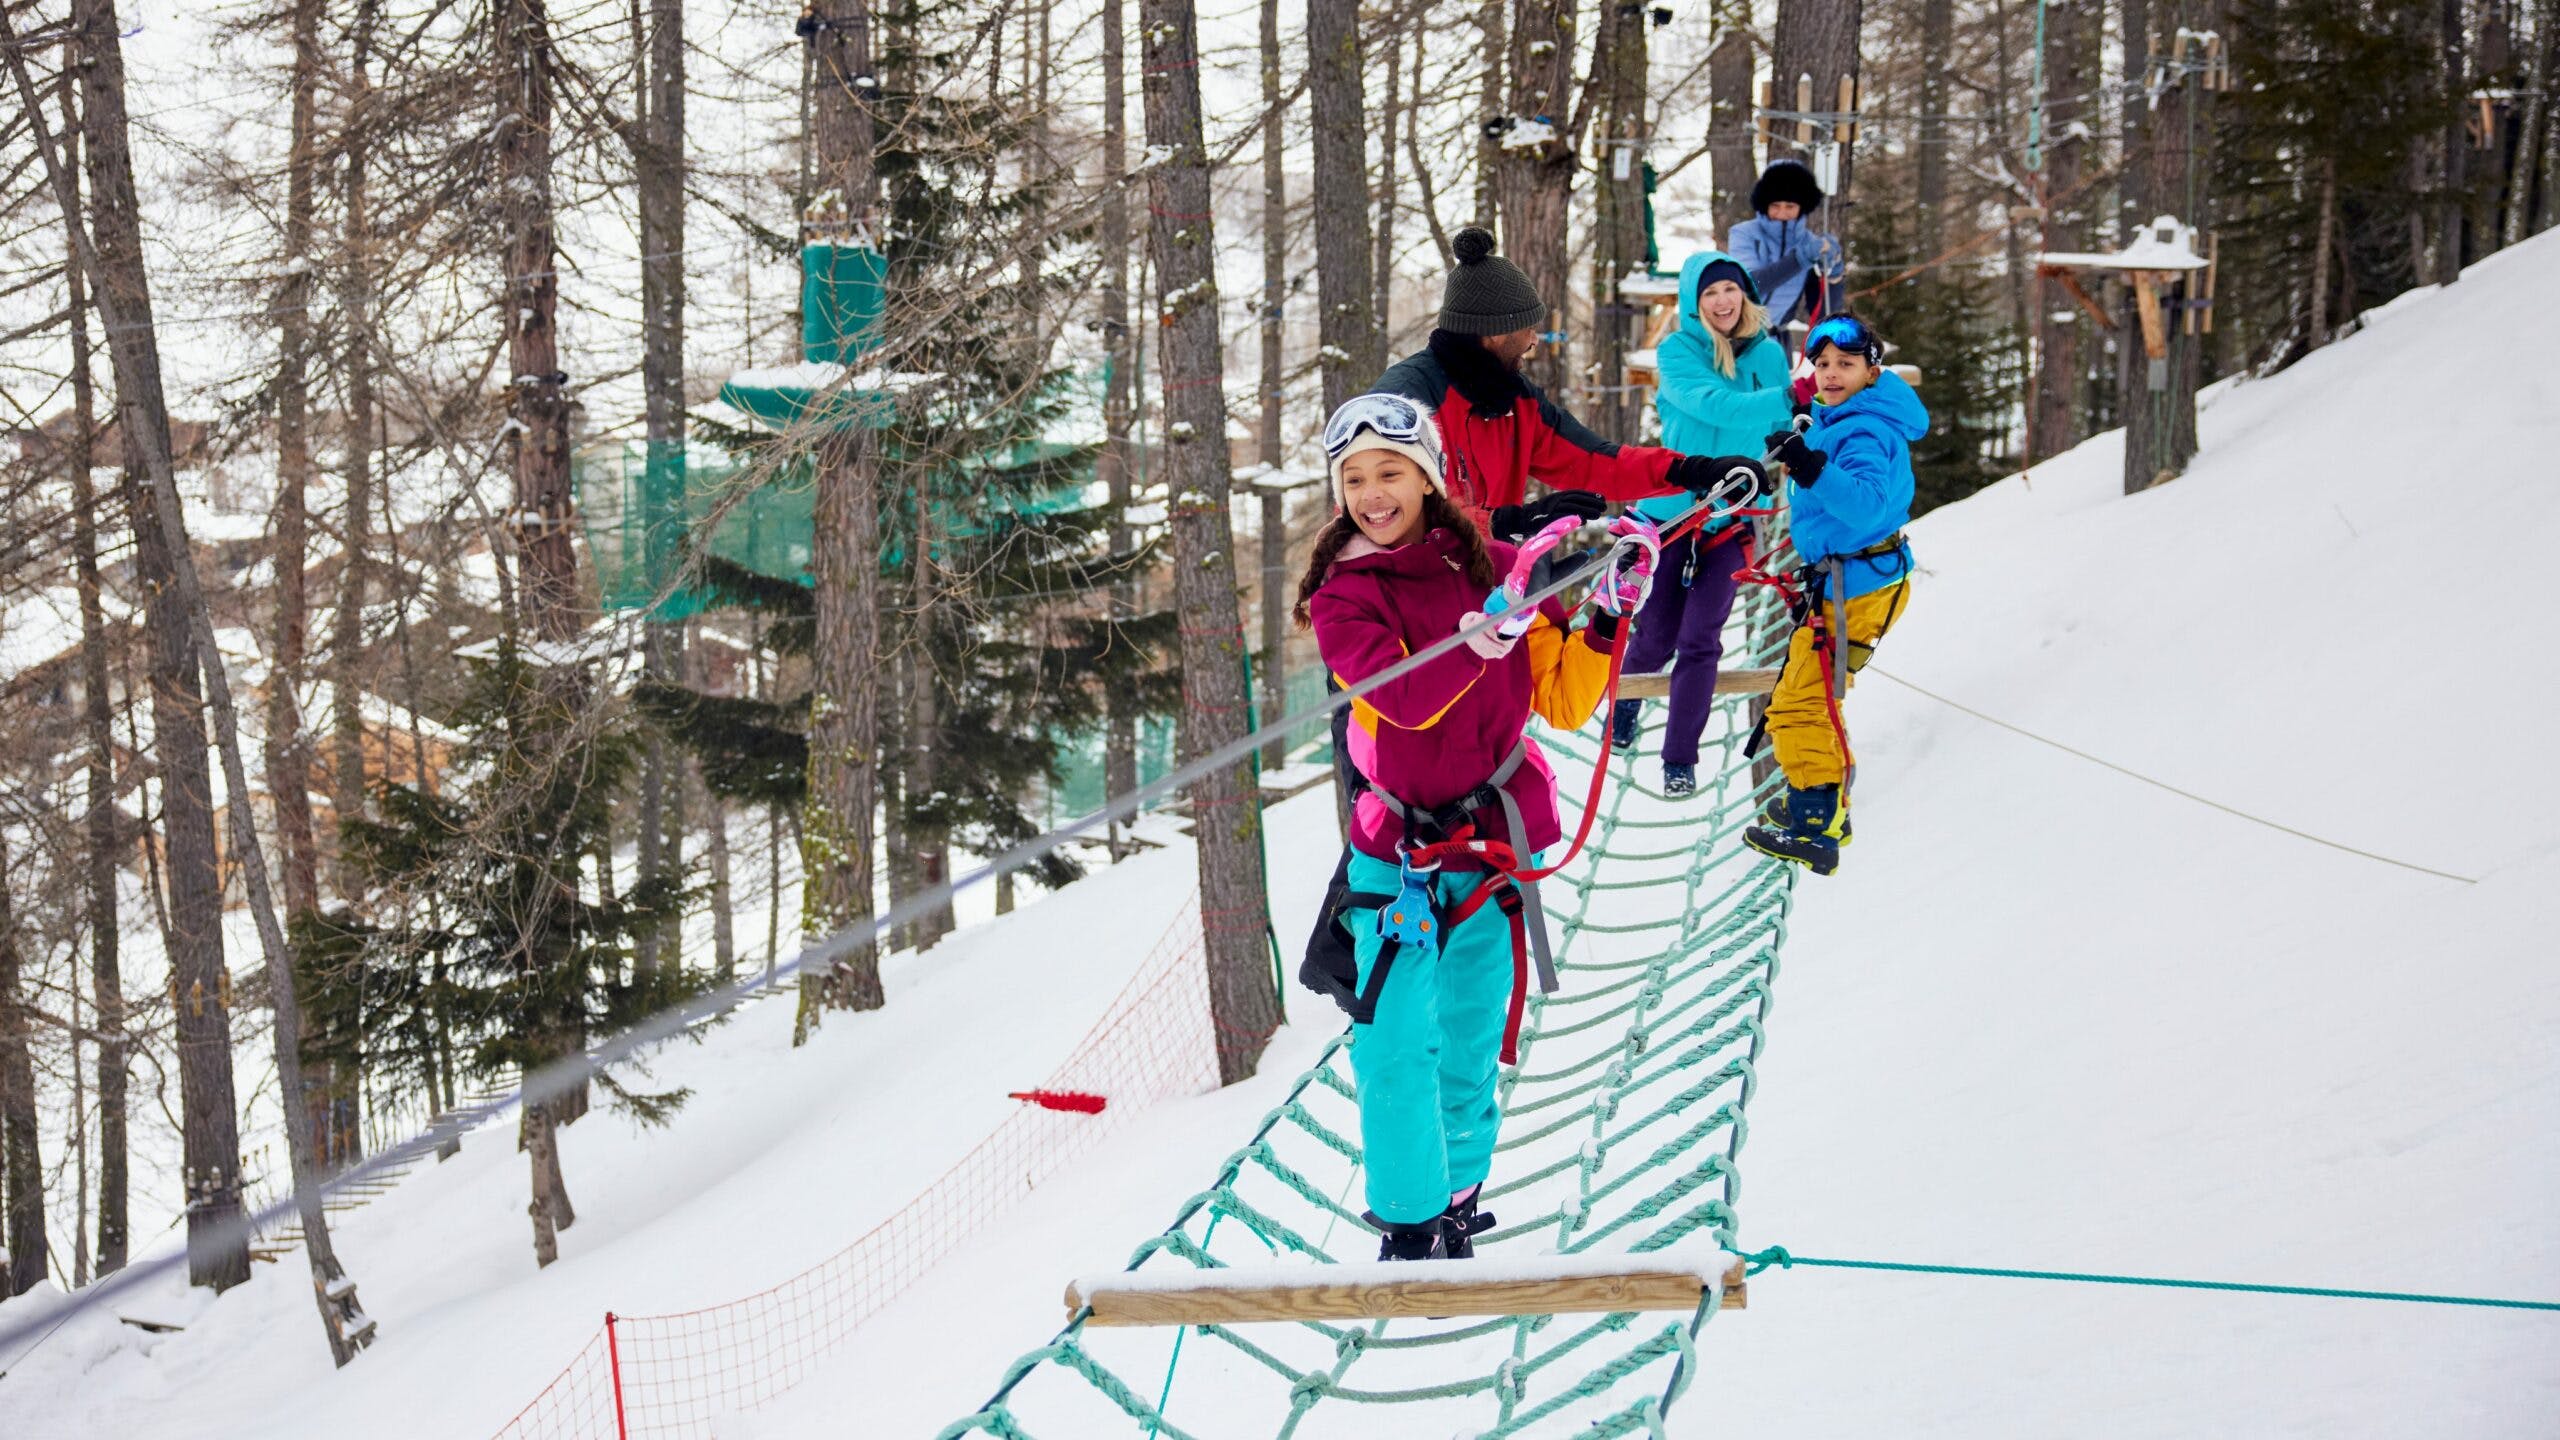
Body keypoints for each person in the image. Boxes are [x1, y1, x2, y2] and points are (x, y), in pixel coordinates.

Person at [1296, 395, 1638, 1260]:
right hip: (1399, 852)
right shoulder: (1342, 597)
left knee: (1473, 1038)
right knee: (1394, 1043)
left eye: (1392, 472)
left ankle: (1454, 1198)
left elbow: (1561, 697)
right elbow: (1401, 698)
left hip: (1492, 845)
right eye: (1357, 478)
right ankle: (1408, 1223)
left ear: (1427, 475)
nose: (1375, 495)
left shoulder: (1493, 563)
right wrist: (1481, 636)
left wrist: (1604, 614)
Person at [1372, 225, 1761, 544]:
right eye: (1527, 327)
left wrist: (1692, 470)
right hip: (1412, 608)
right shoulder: (1404, 403)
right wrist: (1505, 522)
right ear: (1493, 333)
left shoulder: (1513, 399)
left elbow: (1596, 461)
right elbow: (1386, 510)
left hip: (1490, 591)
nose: (1533, 340)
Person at [1742, 315, 1926, 876]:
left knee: (1800, 701)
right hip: (1846, 581)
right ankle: (1820, 800)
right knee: (1807, 693)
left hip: (1859, 588)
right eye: (1821, 364)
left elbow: (1867, 503)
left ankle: (1817, 820)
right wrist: (1809, 441)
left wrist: (1809, 464)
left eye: (1845, 364)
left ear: (1873, 371)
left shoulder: (1866, 428)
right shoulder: (1844, 415)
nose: (1830, 374)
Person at [1613, 249, 1798, 797]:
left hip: (1732, 520)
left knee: (1701, 641)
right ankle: (1625, 706)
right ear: (1696, 302)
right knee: (1655, 637)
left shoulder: (1768, 356)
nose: (1722, 300)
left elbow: (1784, 424)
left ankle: (1679, 760)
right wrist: (1784, 398)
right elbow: (1713, 405)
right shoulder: (1676, 351)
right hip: (1672, 515)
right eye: (1711, 292)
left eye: (1731, 289)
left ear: (1745, 295)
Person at [1727, 159, 1845, 337]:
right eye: (1775, 205)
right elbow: (1750, 285)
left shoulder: (1809, 243)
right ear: (1764, 204)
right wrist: (1798, 260)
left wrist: (1834, 274)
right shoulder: (1744, 234)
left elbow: (1821, 313)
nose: (1782, 214)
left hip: (1777, 340)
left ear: (1802, 207)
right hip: (1738, 336)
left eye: (1790, 206)